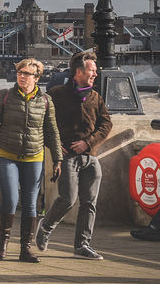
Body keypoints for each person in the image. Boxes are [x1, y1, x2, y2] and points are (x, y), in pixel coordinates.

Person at [0, 57, 61, 263]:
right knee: (10, 198)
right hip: (5, 153)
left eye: (26, 73)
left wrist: (58, 159)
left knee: (30, 203)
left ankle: (26, 248)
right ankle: (3, 241)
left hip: (34, 155)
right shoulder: (4, 96)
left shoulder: (45, 101)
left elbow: (52, 131)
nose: (21, 76)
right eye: (19, 72)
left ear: (37, 77)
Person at [36, 51, 112, 260]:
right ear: (78, 72)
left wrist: (89, 142)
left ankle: (82, 245)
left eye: (96, 70)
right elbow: (40, 121)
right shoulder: (56, 94)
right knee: (68, 199)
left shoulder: (96, 96)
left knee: (89, 203)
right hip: (67, 156)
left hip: (91, 156)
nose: (95, 74)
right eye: (92, 70)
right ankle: (45, 228)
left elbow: (106, 124)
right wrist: (55, 144)